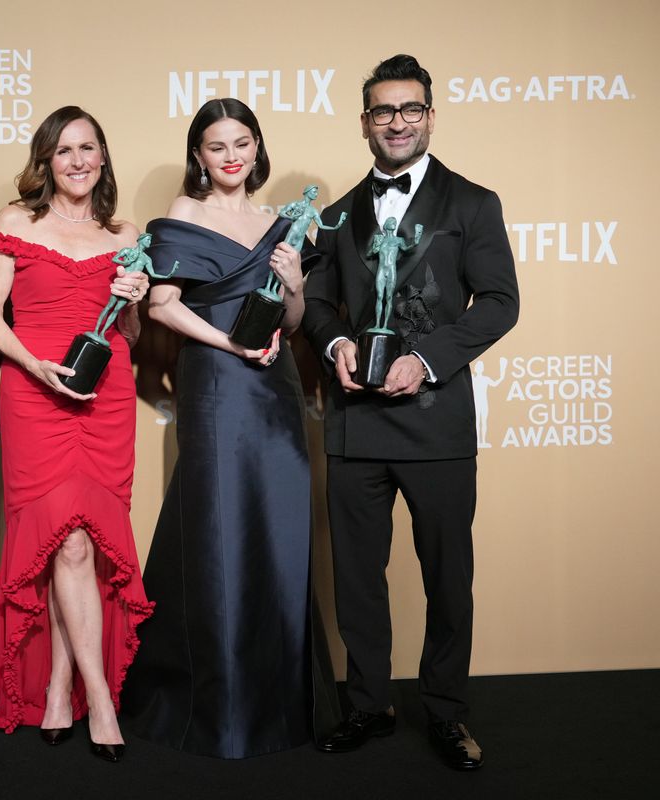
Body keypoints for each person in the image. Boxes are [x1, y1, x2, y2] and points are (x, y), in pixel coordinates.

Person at [301, 54, 519, 770]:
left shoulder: (473, 203)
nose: (397, 122)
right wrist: (332, 341)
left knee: (447, 579)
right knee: (358, 579)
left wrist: (425, 359)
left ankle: (448, 714)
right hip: (355, 422)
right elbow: (320, 304)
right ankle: (369, 704)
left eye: (410, 109)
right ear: (366, 122)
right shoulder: (336, 214)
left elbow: (498, 302)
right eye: (383, 111)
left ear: (430, 115)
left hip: (436, 422)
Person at [119, 98, 339, 758]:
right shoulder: (183, 217)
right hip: (215, 385)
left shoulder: (280, 221)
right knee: (220, 530)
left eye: (242, 142)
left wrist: (295, 284)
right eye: (217, 146)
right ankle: (218, 704)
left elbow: (294, 323)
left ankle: (281, 699)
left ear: (258, 146)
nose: (231, 155)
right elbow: (161, 306)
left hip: (275, 389)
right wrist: (231, 345)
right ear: (199, 156)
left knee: (279, 527)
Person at [0, 106, 153, 763]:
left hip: (106, 397)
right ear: (46, 160)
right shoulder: (16, 221)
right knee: (62, 544)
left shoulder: (127, 232)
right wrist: (33, 364)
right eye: (63, 150)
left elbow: (131, 339)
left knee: (84, 548)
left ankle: (63, 685)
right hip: (35, 393)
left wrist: (135, 296)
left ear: (102, 157)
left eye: (87, 148)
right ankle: (99, 695)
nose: (76, 161)